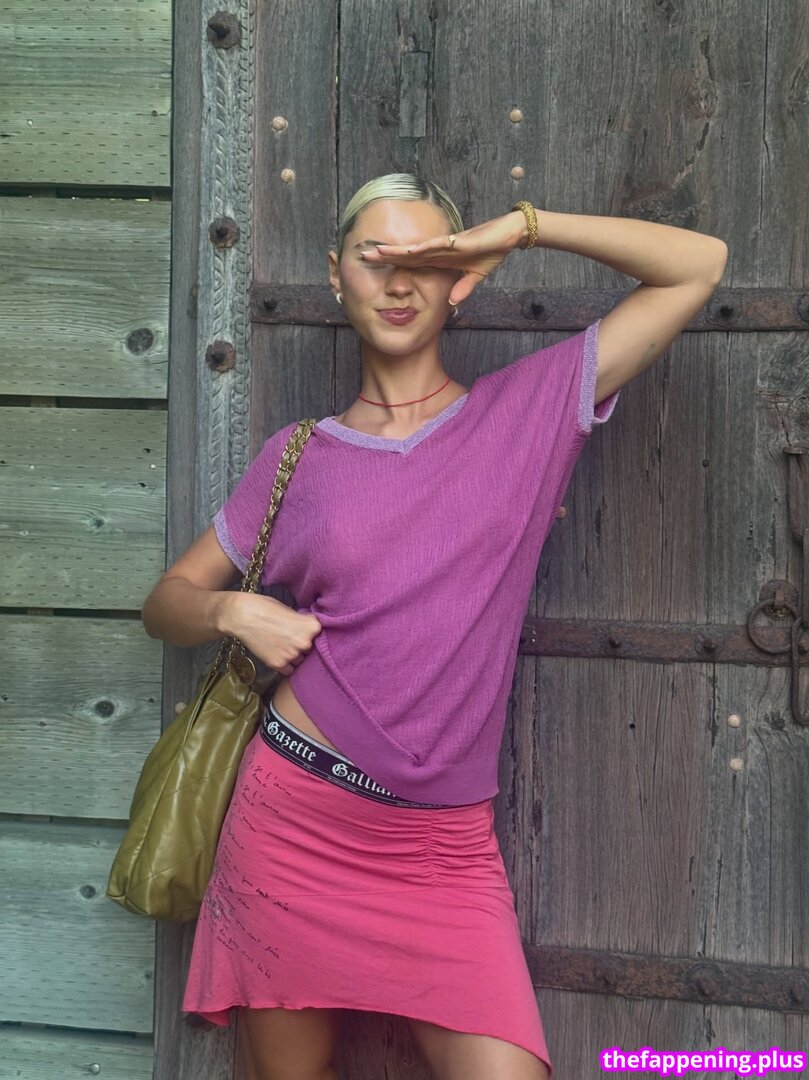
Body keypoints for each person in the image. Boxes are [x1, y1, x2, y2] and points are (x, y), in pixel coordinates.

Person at [141, 174, 728, 1080]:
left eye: (429, 259)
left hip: (442, 853)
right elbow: (166, 603)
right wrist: (230, 609)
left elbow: (698, 266)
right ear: (336, 275)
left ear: (460, 279)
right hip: (292, 824)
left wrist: (520, 229)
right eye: (376, 258)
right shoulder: (297, 456)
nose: (400, 281)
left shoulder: (525, 414)